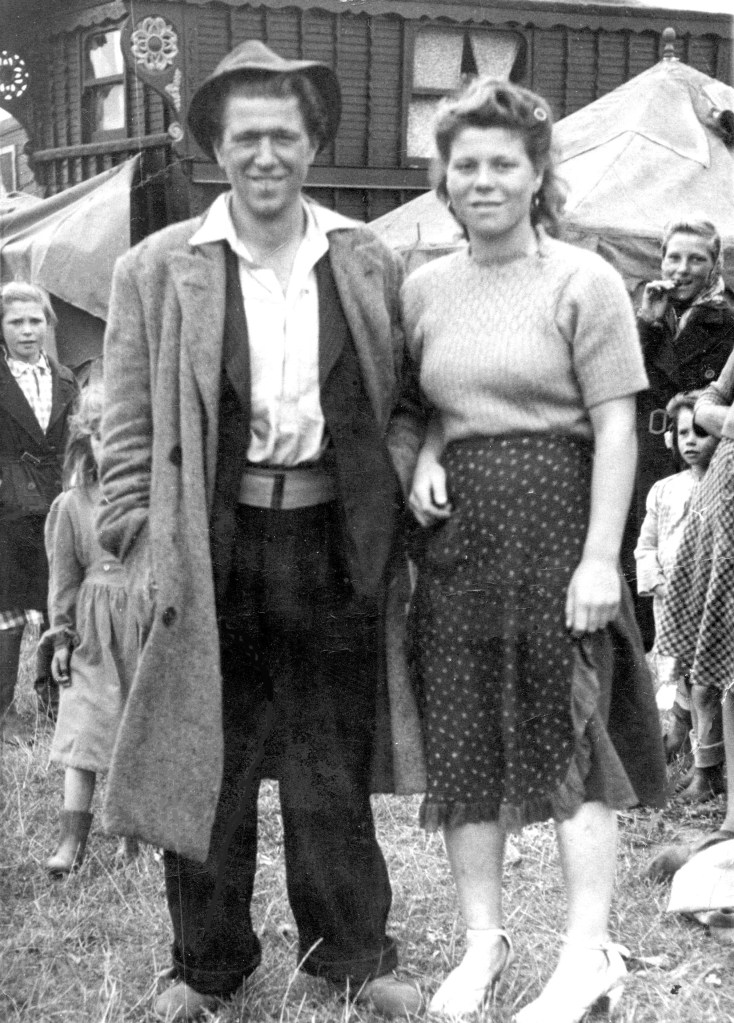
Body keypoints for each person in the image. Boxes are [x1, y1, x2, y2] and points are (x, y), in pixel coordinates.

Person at [95, 40, 424, 1023]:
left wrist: (394, 477)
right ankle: (205, 969)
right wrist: (139, 542)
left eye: (284, 133)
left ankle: (352, 959)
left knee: (329, 766)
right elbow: (127, 431)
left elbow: (407, 400)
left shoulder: (365, 257)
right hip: (213, 547)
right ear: (214, 148)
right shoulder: (157, 270)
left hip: (333, 544)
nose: (266, 152)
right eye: (246, 136)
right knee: (210, 766)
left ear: (313, 142)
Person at [402, 78, 667, 1023]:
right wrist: (430, 451)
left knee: (569, 741)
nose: (482, 179)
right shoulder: (424, 285)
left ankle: (587, 952)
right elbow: (431, 403)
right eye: (464, 163)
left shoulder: (583, 279)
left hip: (560, 530)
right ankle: (482, 942)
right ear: (444, 173)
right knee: (465, 738)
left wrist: (602, 559)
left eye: (501, 163)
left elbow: (619, 429)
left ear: (537, 170)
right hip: (459, 546)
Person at [40, 387, 140, 877]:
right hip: (92, 637)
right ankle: (70, 840)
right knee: (82, 731)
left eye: (124, 437)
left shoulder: (154, 501)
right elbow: (63, 580)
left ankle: (135, 838)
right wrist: (60, 636)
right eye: (102, 436)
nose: (113, 447)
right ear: (87, 440)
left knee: (135, 734)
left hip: (143, 630)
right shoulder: (71, 505)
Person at [627, 218, 734, 647]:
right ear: (661, 258)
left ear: (715, 264)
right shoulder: (652, 313)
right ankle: (647, 651)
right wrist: (647, 324)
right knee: (644, 545)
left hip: (703, 453)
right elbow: (618, 379)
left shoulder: (728, 319)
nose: (682, 268)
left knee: (696, 550)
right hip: (647, 451)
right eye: (674, 257)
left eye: (696, 259)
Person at [651, 348, 734, 875]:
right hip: (722, 525)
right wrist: (723, 420)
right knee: (727, 675)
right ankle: (730, 826)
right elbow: (709, 401)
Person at [0, 281, 78, 744]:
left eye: (35, 321)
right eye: (15, 322)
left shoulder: (65, 378)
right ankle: (3, 714)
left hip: (56, 502)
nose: (27, 332)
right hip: (7, 507)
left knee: (59, 603)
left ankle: (55, 702)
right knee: (7, 608)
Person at [635, 391, 722, 796]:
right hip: (670, 601)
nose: (691, 441)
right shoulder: (663, 490)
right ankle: (679, 734)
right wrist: (657, 580)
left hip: (710, 601)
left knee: (707, 679)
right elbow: (646, 546)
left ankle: (709, 762)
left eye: (702, 433)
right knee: (679, 674)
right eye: (683, 433)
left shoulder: (723, 487)